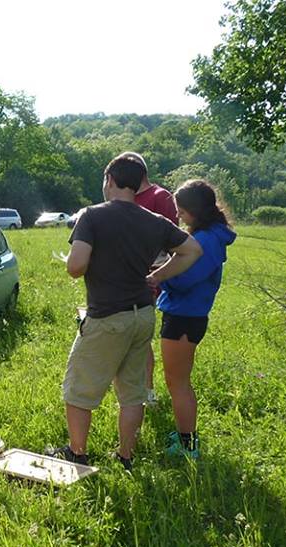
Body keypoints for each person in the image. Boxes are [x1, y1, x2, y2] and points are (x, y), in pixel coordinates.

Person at [53, 154, 203, 470]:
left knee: (79, 390)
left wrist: (71, 258)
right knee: (132, 392)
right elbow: (192, 250)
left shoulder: (92, 216)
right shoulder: (153, 219)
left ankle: (77, 453)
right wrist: (159, 275)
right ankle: (125, 457)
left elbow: (76, 267)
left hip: (107, 316)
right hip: (143, 314)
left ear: (109, 180)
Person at [158, 180, 236, 459]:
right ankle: (185, 437)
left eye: (181, 210)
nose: (178, 216)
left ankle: (187, 445)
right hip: (188, 314)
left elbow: (184, 280)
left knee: (177, 383)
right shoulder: (210, 235)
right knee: (180, 381)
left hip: (183, 316)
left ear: (195, 210)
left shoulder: (205, 241)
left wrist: (159, 272)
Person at [117, 151, 179, 406]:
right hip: (121, 278)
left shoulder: (159, 197)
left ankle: (147, 392)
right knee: (124, 336)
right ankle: (128, 392)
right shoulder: (123, 198)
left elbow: (173, 241)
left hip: (149, 279)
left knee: (141, 339)